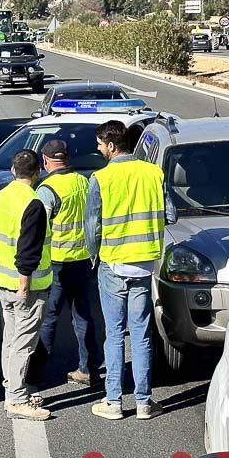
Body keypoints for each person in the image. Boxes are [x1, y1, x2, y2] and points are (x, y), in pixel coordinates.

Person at [86, 120, 172, 421]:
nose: (98, 149)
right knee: (142, 334)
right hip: (145, 263)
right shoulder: (153, 173)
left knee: (115, 334)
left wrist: (94, 257)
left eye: (100, 144)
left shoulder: (101, 178)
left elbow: (93, 225)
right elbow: (169, 213)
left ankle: (113, 401)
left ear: (111, 146)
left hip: (113, 263)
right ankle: (144, 402)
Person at [0, 150, 54, 421]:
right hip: (27, 285)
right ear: (37, 172)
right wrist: (25, 283)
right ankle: (17, 399)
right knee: (24, 342)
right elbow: (28, 249)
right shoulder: (33, 203)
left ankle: (11, 388)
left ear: (13, 171)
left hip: (2, 282)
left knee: (10, 338)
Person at [35, 140, 100, 387]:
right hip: (83, 260)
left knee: (49, 317)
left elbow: (37, 228)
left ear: (46, 160)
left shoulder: (47, 189)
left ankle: (36, 374)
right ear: (68, 158)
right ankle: (88, 369)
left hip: (57, 263)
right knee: (82, 315)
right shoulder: (83, 181)